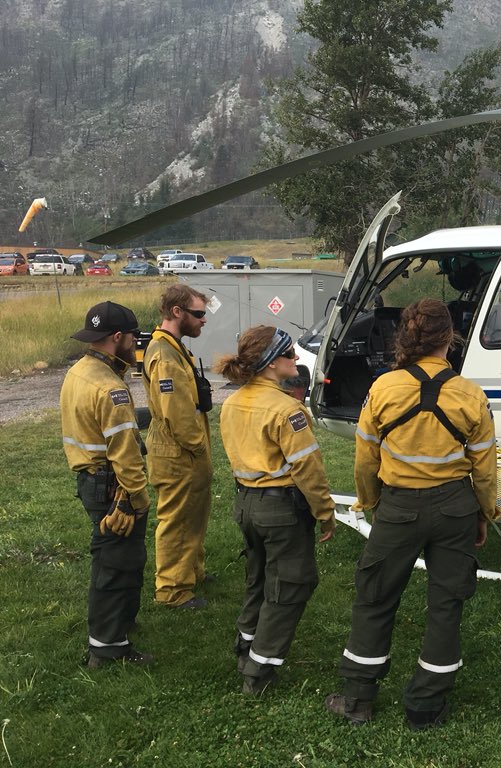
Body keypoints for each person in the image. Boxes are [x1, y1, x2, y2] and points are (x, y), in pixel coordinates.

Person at [325, 298, 498, 729]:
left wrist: (370, 502)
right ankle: (426, 706)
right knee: (446, 604)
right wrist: (484, 513)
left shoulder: (382, 388)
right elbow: (484, 468)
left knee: (375, 597)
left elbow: (365, 459)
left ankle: (357, 698)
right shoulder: (471, 394)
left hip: (398, 508)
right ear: (449, 339)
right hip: (456, 509)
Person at [216, 326, 337, 695]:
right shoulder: (287, 410)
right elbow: (308, 470)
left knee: (259, 576)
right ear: (271, 363)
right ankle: (259, 670)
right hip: (281, 509)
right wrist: (325, 513)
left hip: (246, 503)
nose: (296, 358)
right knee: (292, 583)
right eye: (288, 354)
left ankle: (245, 645)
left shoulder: (232, 403)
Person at [60, 301, 153, 667]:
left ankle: (120, 624)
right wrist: (136, 500)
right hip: (112, 486)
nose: (135, 344)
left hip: (91, 479)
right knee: (117, 564)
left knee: (116, 558)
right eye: (132, 337)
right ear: (117, 337)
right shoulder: (111, 388)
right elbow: (125, 453)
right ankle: (108, 647)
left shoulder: (79, 371)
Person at [143, 284, 213, 609]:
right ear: (177, 312)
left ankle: (192, 573)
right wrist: (198, 447)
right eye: (198, 314)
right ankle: (172, 590)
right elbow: (178, 414)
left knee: (193, 514)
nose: (203, 320)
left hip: (186, 451)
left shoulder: (174, 348)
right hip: (177, 454)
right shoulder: (165, 356)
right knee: (177, 520)